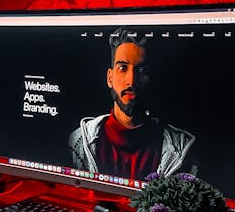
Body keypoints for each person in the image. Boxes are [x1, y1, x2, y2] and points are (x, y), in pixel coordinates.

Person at [67, 27, 197, 181]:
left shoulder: (183, 148)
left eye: (141, 70)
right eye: (122, 68)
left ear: (151, 78)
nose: (131, 80)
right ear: (110, 77)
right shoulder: (77, 142)